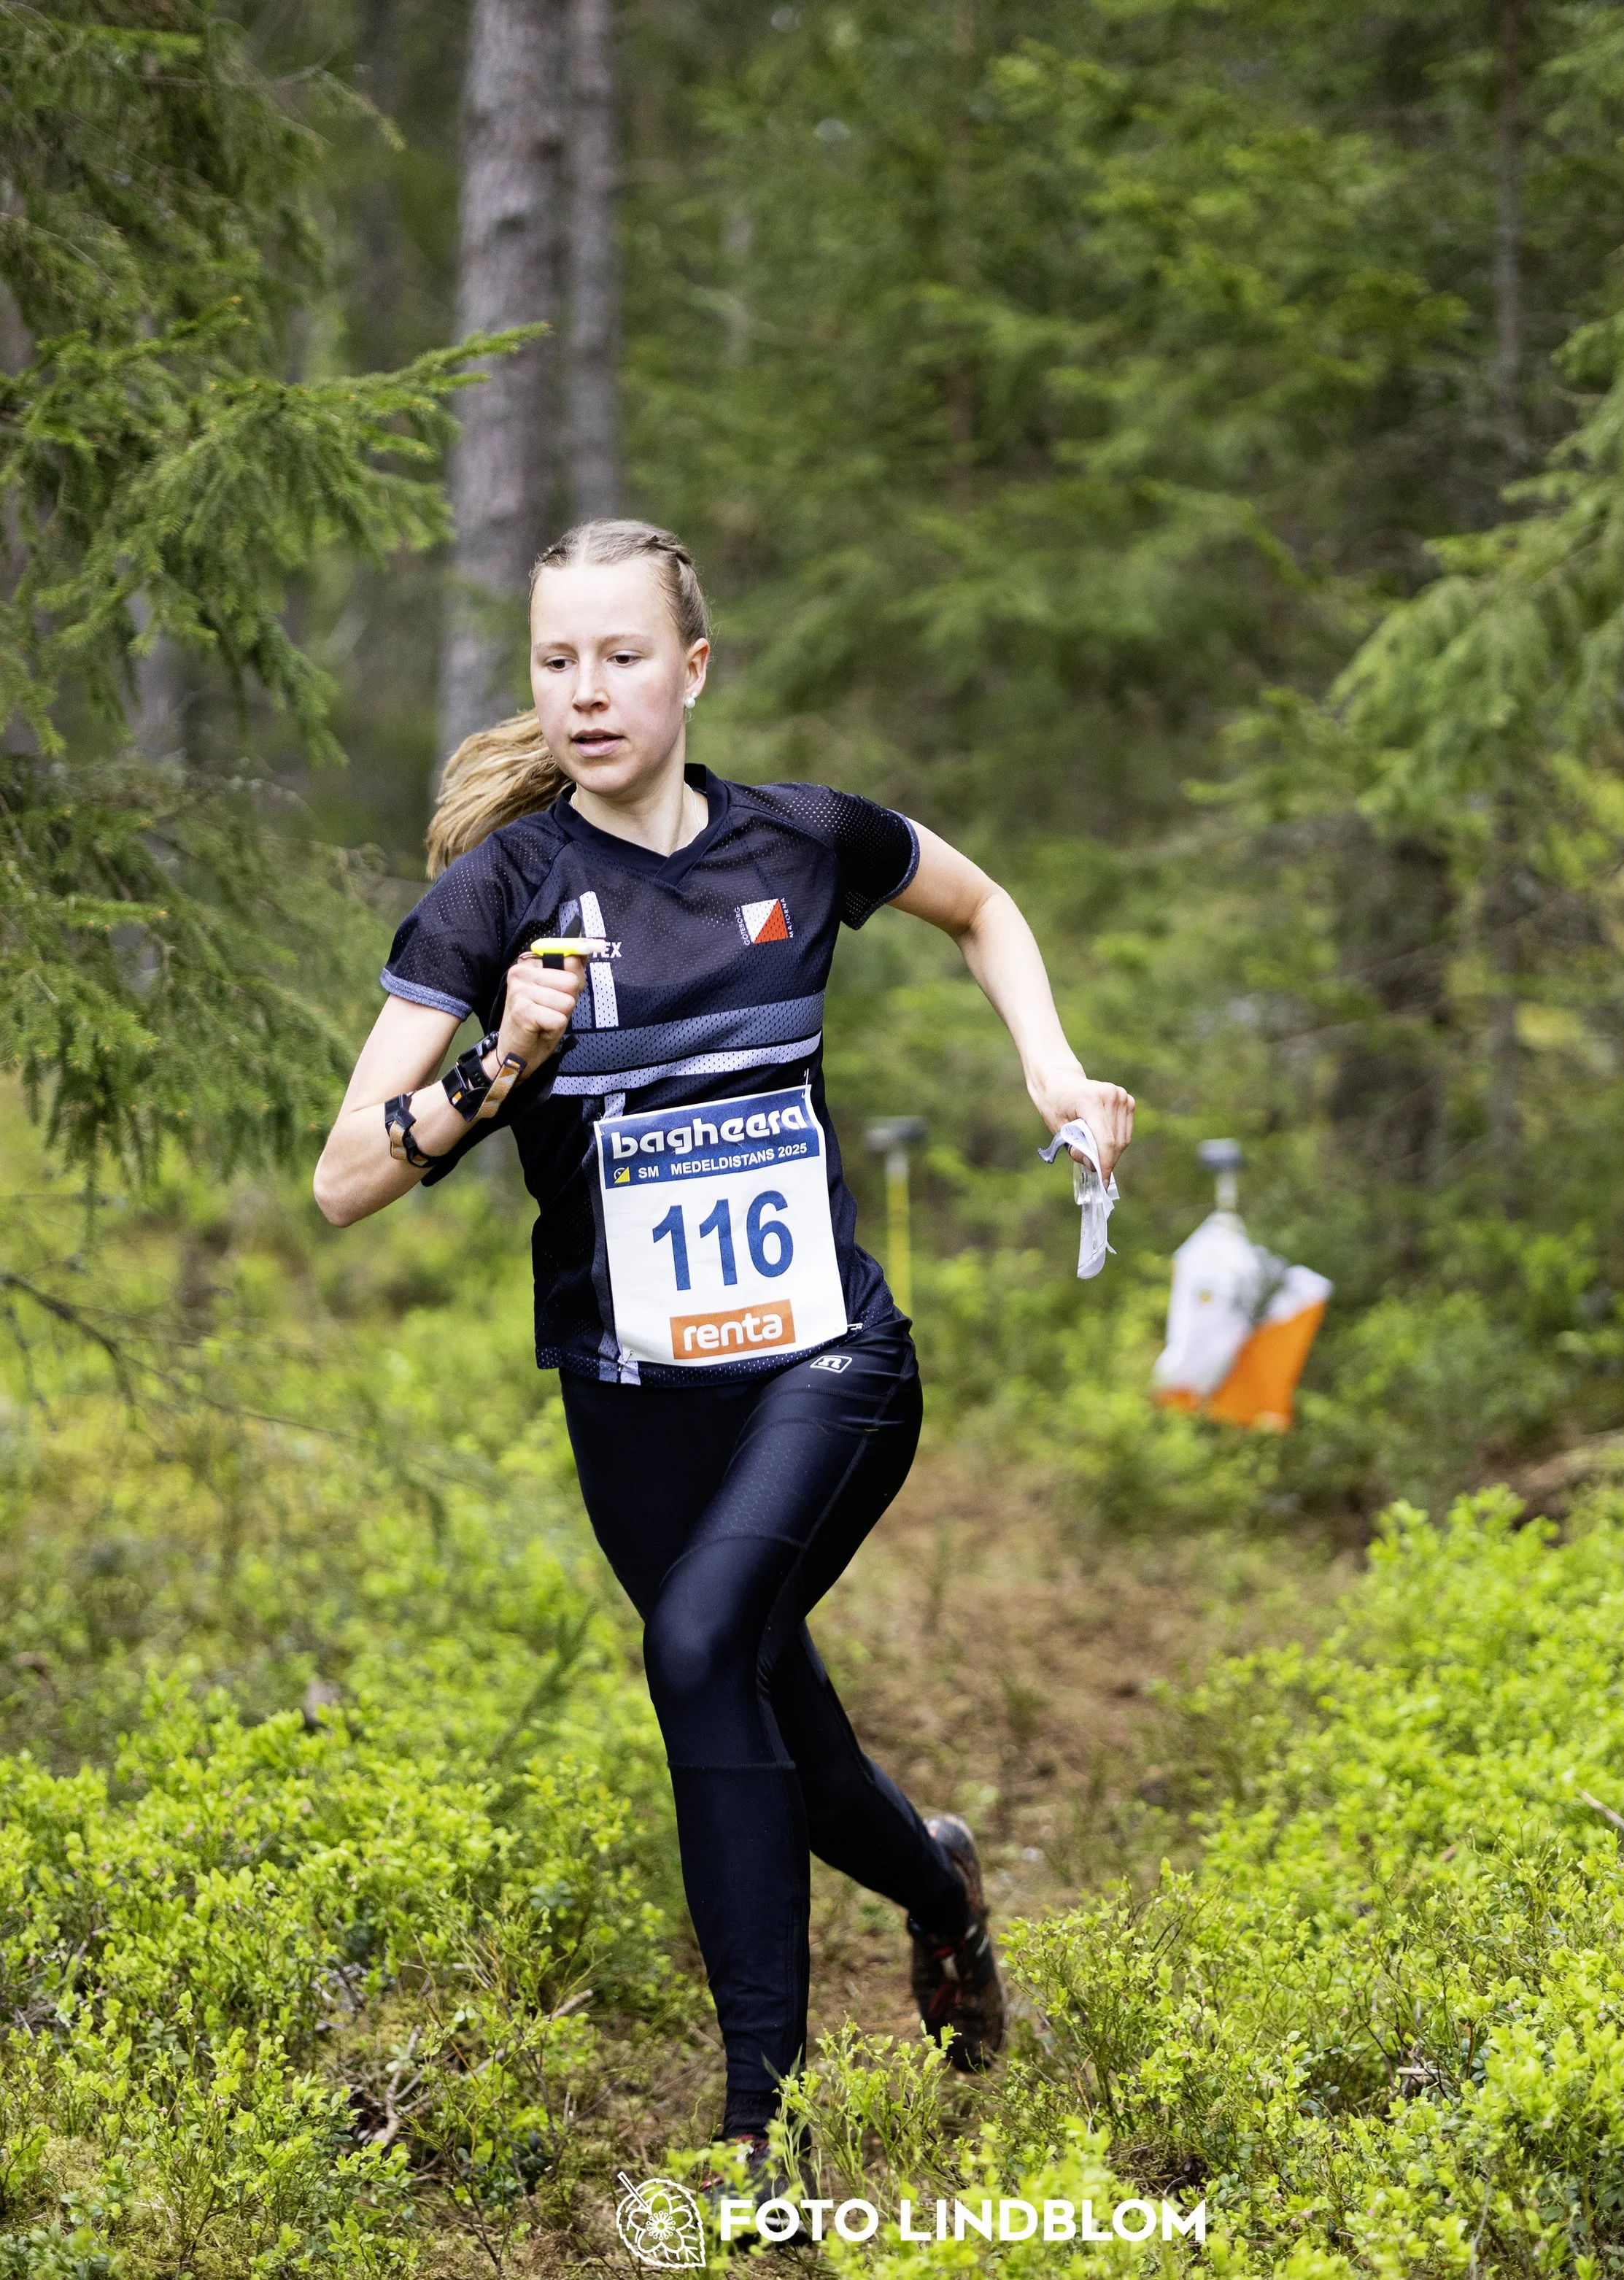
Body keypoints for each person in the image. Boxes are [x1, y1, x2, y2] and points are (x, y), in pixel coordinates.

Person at [313, 518, 1134, 2190]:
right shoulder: (500, 896)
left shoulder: (800, 839)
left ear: (690, 669)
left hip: (828, 1358)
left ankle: (765, 2127)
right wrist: (498, 1062)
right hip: (632, 1399)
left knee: (697, 1650)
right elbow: (342, 1177)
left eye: (620, 656)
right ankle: (940, 1889)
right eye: (556, 659)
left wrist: (1052, 1071)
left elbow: (981, 905)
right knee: (779, 1722)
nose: (586, 690)